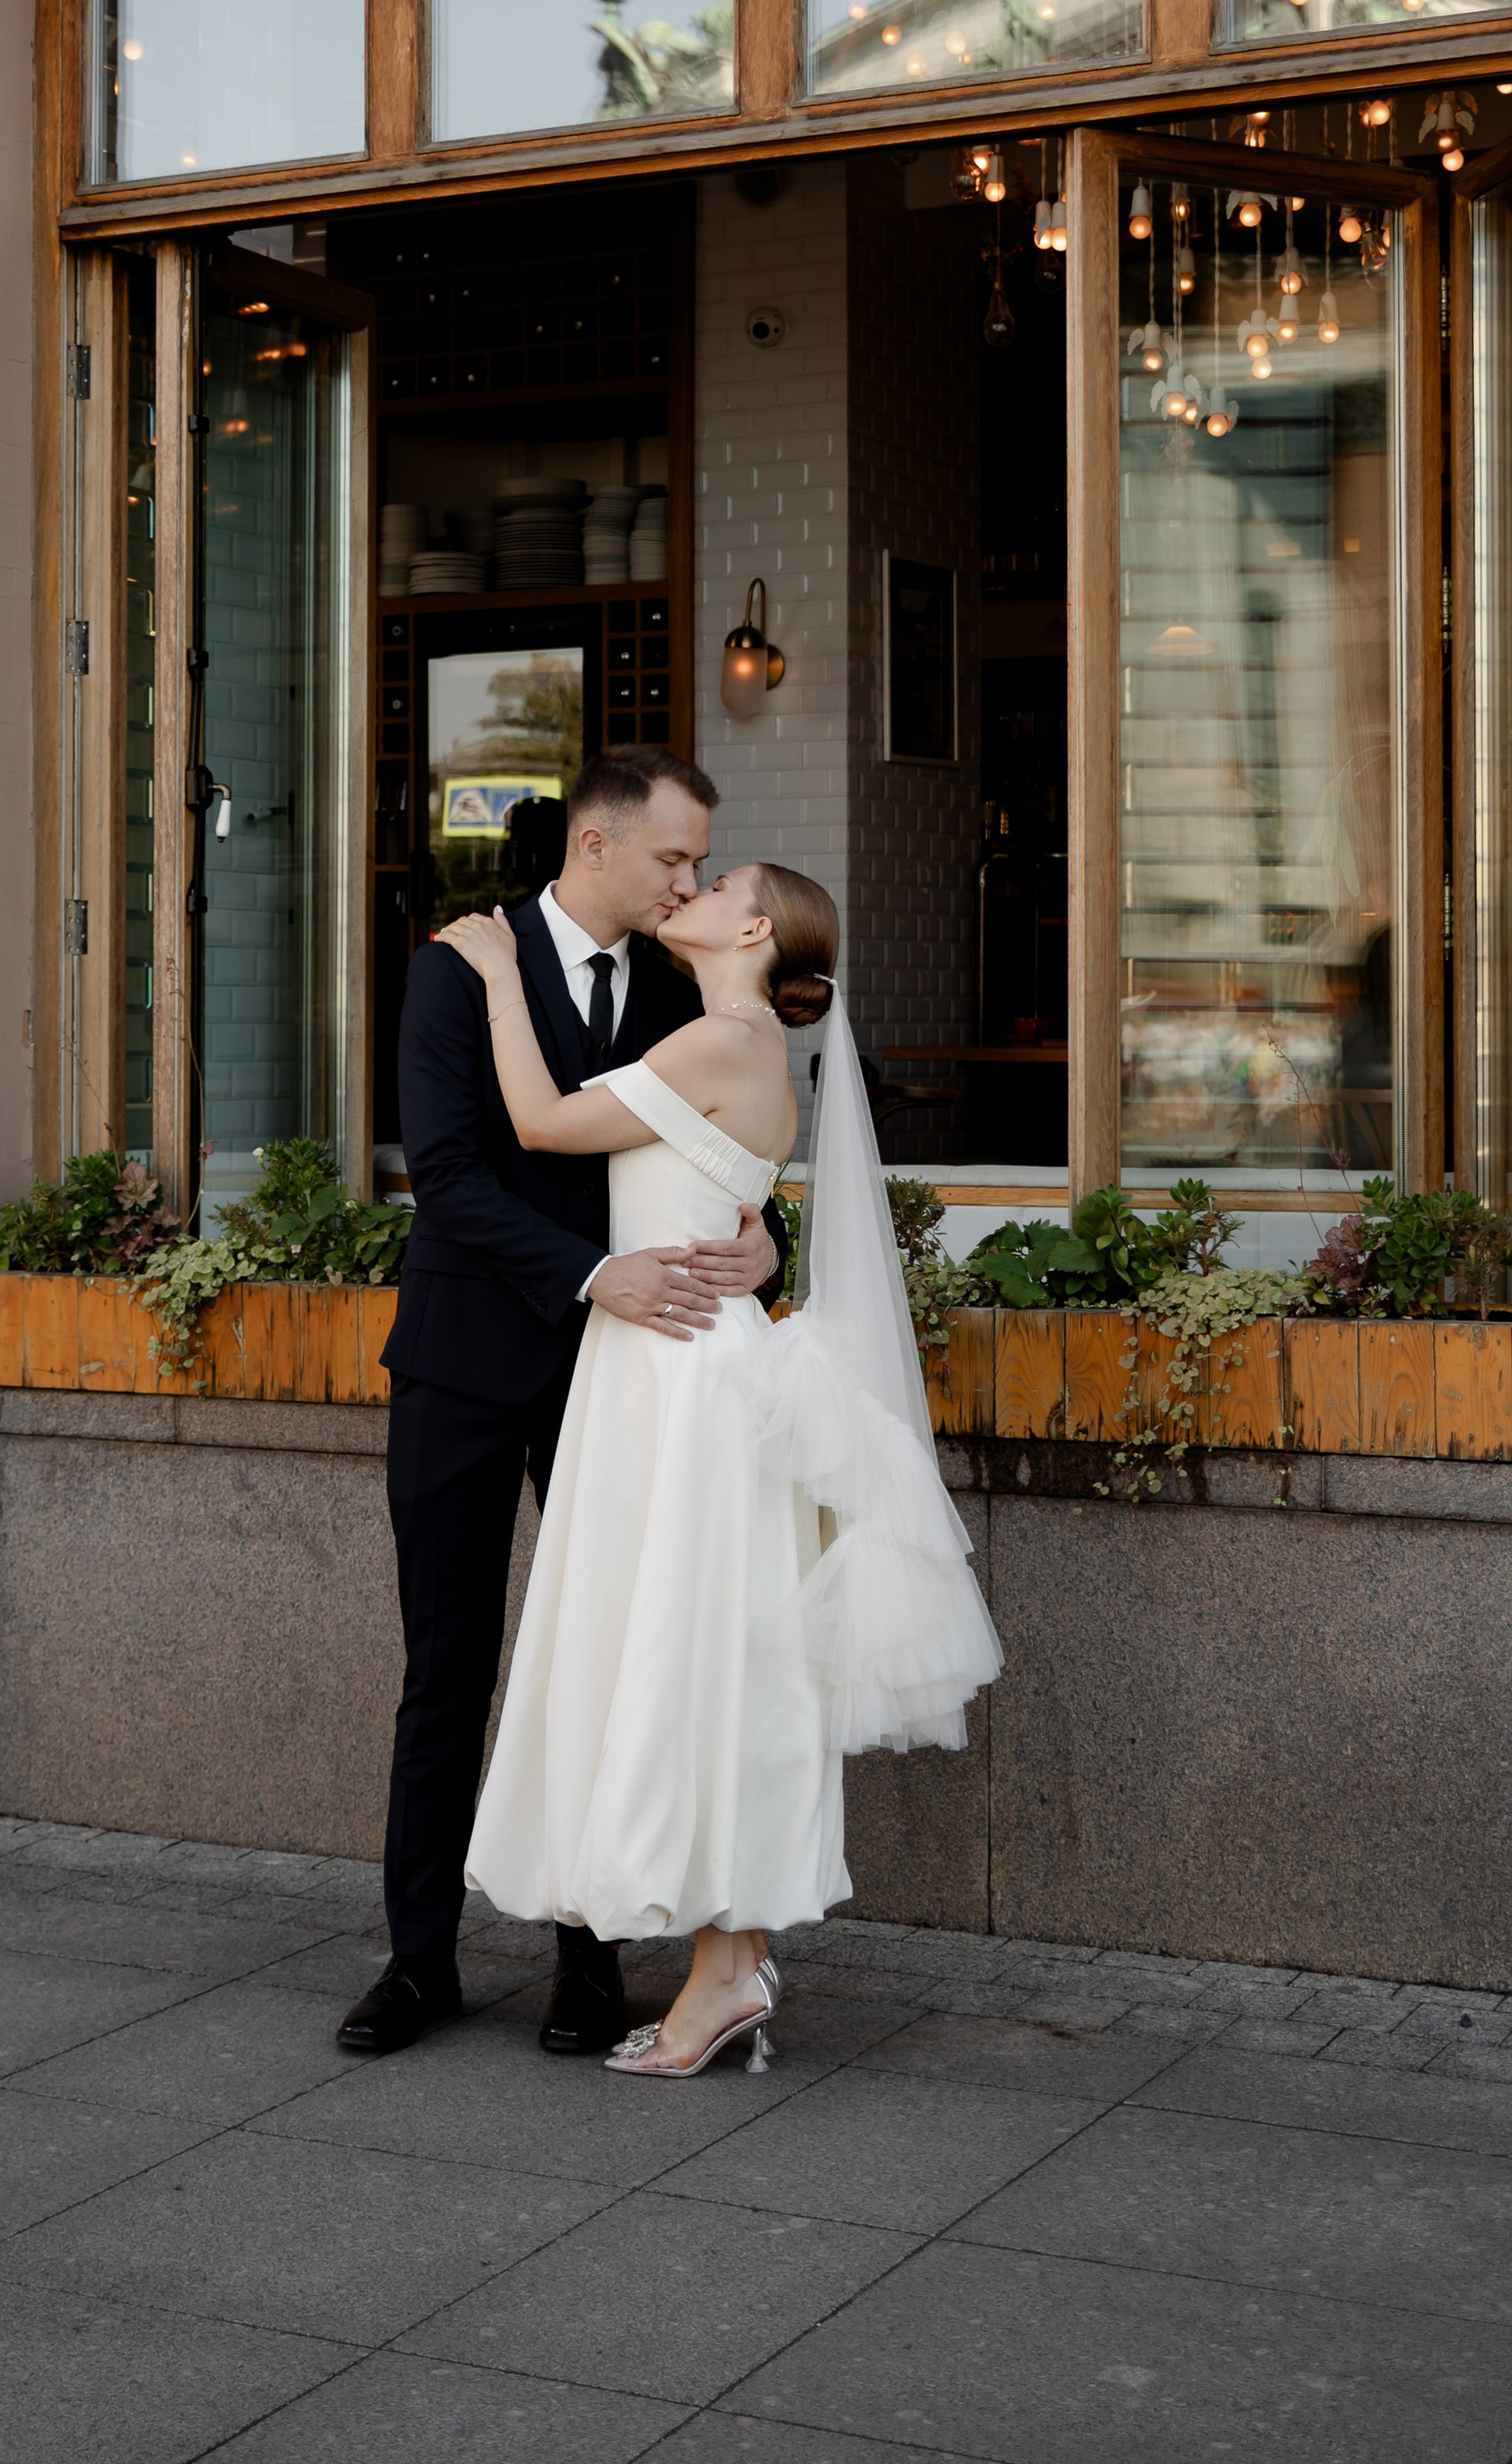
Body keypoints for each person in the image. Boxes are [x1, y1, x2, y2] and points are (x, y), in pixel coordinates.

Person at [438, 858, 1004, 2078]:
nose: (689, 888)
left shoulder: (723, 1040)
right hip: (676, 1361)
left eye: (718, 881)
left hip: (682, 1378)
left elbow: (541, 1124)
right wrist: (759, 1246)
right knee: (715, 1658)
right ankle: (729, 1964)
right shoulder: (733, 1041)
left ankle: (726, 1970)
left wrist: (496, 974)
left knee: (699, 1653)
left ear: (753, 929)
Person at [335, 748, 785, 2061]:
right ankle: (418, 1960)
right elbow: (448, 1173)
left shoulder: (682, 985)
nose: (688, 881)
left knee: (605, 1660)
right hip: (467, 1364)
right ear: (597, 844)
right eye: (673, 857)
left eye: (700, 862)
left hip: (621, 1384)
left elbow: (724, 1153)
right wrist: (594, 1274)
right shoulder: (456, 966)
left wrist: (770, 1246)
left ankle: (589, 1964)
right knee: (447, 1666)